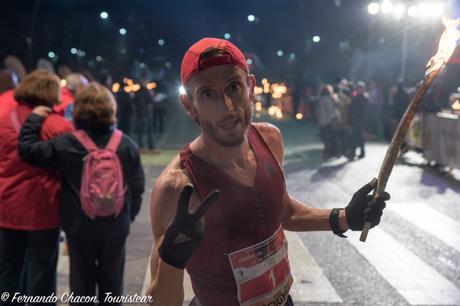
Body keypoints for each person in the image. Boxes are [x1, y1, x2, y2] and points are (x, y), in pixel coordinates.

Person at [146, 38, 390, 306]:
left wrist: (345, 217)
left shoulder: (269, 139)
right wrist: (172, 258)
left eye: (233, 86)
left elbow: (285, 212)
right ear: (189, 105)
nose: (226, 107)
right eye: (207, 93)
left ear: (250, 87)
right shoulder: (177, 187)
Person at [18, 83, 145, 305]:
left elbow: (28, 151)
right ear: (110, 109)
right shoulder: (126, 144)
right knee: (113, 286)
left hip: (79, 226)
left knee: (81, 287)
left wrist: (34, 119)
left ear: (77, 111)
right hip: (116, 225)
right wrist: (128, 215)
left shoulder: (67, 144)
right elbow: (137, 185)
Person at [0, 69, 73, 305]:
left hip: (6, 206)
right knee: (42, 272)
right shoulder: (57, 125)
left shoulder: (2, 113)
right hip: (44, 208)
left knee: (9, 270)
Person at [346, 81, 368, 159]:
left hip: (359, 121)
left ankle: (354, 153)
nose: (358, 89)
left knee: (355, 137)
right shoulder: (358, 97)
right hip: (357, 120)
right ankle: (361, 152)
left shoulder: (363, 98)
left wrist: (358, 120)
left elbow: (362, 111)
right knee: (358, 137)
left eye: (359, 88)